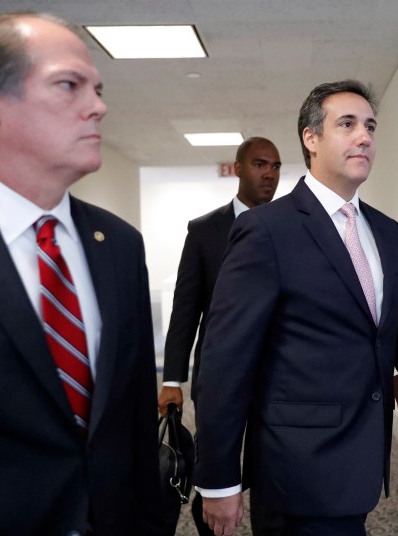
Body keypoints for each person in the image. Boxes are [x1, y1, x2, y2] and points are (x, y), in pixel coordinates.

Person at [194, 79, 398, 536]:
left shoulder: (387, 232)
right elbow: (225, 360)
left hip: (363, 457)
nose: (364, 136)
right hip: (295, 466)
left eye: (370, 126)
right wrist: (219, 480)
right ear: (311, 137)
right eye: (348, 124)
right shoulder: (267, 231)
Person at [0, 12, 165, 535]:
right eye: (69, 85)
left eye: (97, 89)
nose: (99, 106)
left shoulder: (119, 245)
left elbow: (129, 419)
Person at [158, 136, 281, 535]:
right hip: (217, 373)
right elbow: (185, 309)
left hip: (276, 375)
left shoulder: (288, 227)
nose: (269, 173)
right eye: (260, 164)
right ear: (238, 168)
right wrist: (172, 379)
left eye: (277, 166)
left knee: (273, 471)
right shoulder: (205, 230)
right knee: (213, 467)